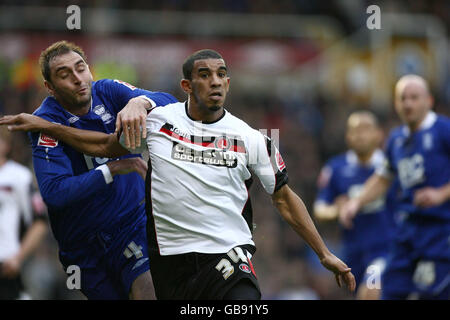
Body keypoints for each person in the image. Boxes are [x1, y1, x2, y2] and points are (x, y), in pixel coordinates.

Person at [0, 49, 356, 299]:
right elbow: (101, 152)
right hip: (143, 256)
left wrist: (323, 253)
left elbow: (284, 198)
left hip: (213, 254)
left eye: (221, 75)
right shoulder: (157, 125)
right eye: (204, 75)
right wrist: (55, 129)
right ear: (187, 86)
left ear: (229, 83)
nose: (214, 82)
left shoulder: (253, 139)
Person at [3, 41, 178, 300]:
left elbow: (171, 104)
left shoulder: (108, 91)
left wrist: (139, 102)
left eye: (81, 68)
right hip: (82, 248)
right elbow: (54, 193)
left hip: (131, 223)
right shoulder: (44, 123)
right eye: (65, 75)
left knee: (148, 289)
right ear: (50, 88)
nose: (78, 79)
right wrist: (113, 169)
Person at [340, 75, 450, 299]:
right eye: (403, 98)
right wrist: (356, 202)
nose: (408, 103)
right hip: (407, 232)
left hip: (441, 230)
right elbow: (383, 178)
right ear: (395, 104)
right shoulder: (396, 139)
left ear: (429, 101)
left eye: (414, 98)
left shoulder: (443, 130)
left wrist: (441, 193)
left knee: (432, 293)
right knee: (387, 291)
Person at [313, 111, 397, 299]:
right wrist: (337, 210)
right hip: (352, 253)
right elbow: (320, 208)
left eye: (366, 129)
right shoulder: (335, 168)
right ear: (347, 137)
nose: (360, 134)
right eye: (354, 130)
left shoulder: (390, 166)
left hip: (385, 249)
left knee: (372, 289)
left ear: (378, 134)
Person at [0, 126, 48, 299]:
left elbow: (40, 222)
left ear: (5, 144)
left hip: (6, 266)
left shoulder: (19, 177)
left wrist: (18, 257)